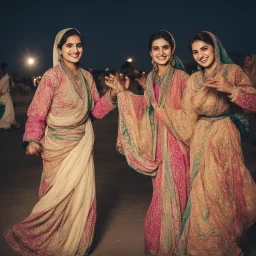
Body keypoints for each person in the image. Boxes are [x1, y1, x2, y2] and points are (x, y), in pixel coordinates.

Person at [5, 28, 117, 256]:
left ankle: (75, 245)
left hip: (82, 145)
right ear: (60, 49)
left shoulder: (87, 77)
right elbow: (37, 114)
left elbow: (94, 112)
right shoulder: (51, 77)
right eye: (69, 46)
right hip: (56, 149)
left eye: (78, 45)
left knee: (80, 201)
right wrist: (31, 140)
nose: (75, 50)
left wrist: (113, 96)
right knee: (55, 201)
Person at [154, 31, 256, 255]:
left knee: (224, 192)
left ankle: (227, 244)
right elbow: (188, 116)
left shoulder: (233, 72)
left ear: (215, 48)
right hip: (201, 139)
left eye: (204, 49)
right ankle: (205, 247)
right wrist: (163, 112)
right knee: (203, 194)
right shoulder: (194, 80)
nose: (200, 55)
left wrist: (231, 90)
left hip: (225, 138)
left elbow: (253, 102)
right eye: (195, 52)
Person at [105, 30, 190, 255]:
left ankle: (181, 246)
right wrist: (123, 94)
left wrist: (166, 113)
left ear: (172, 51)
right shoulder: (151, 79)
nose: (161, 52)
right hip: (158, 145)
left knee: (181, 194)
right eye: (156, 48)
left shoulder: (183, 78)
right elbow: (146, 107)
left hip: (180, 145)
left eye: (165, 48)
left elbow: (190, 114)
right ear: (150, 53)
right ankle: (162, 246)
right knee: (161, 195)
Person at [0, 65, 20, 131]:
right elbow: (1, 88)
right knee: (7, 111)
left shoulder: (6, 78)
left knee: (8, 110)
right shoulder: (5, 78)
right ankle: (5, 124)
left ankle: (7, 124)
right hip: (4, 97)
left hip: (6, 96)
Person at [243, 53, 256, 146]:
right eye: (245, 60)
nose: (246, 62)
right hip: (243, 100)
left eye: (249, 60)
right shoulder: (241, 73)